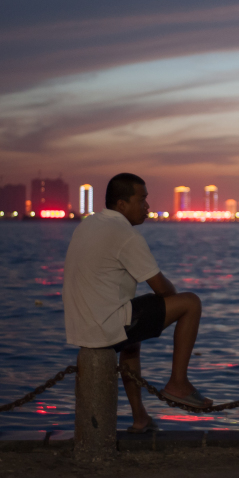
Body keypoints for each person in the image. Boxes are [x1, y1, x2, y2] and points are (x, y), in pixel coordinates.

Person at [63, 172, 212, 433]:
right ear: (122, 205)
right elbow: (162, 288)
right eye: (142, 200)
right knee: (191, 303)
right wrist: (174, 300)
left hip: (82, 326)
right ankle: (178, 383)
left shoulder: (88, 224)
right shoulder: (125, 234)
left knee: (132, 340)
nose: (147, 207)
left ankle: (140, 417)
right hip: (105, 327)